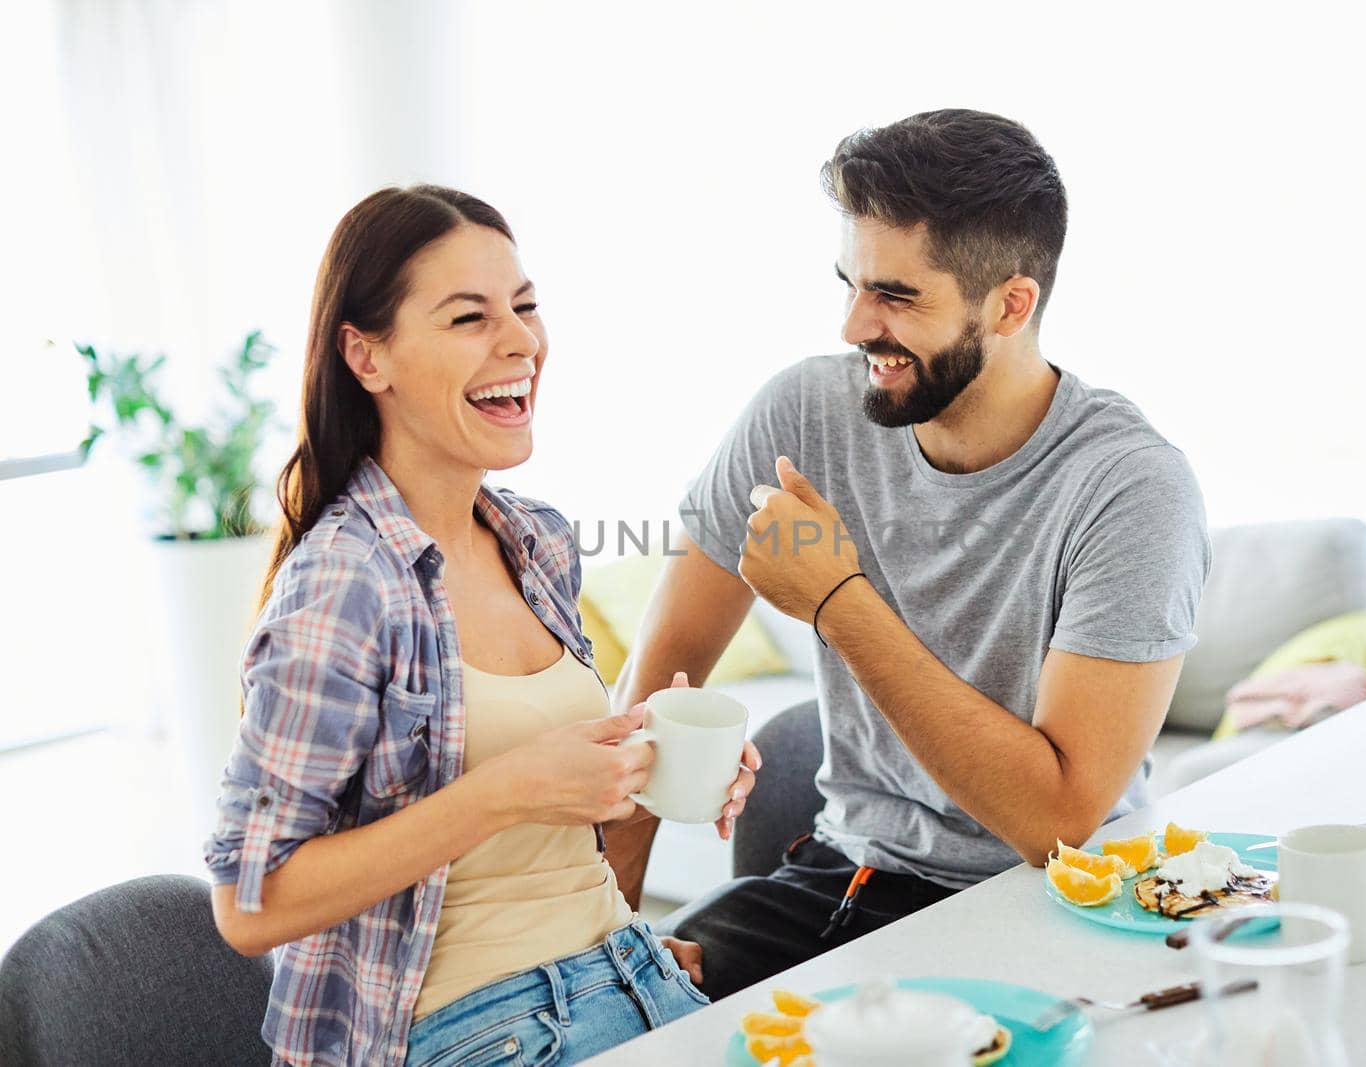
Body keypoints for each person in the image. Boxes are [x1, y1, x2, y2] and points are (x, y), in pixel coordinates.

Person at [607, 109, 1211, 1000]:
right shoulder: (802, 416)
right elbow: (655, 698)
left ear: (1011, 304)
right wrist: (605, 946)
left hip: (1046, 905)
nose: (855, 324)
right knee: (623, 1019)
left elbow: (1055, 820)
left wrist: (838, 602)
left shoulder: (1132, 489)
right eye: (850, 282)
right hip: (845, 877)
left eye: (896, 295)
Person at [203, 185, 758, 1066]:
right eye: (469, 317)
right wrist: (508, 790)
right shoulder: (344, 584)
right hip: (471, 1027)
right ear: (366, 355)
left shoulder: (533, 538)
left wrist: (650, 761)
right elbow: (249, 901)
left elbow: (545, 816)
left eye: (526, 307)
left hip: (629, 970)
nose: (522, 341)